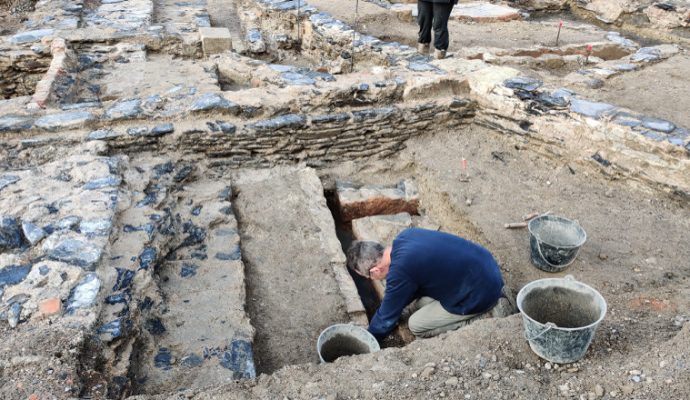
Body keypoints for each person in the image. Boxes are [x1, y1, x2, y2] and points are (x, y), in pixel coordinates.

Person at [346, 228, 514, 341]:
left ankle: (485, 317)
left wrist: (369, 338)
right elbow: (403, 295)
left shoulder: (400, 272)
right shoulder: (406, 236)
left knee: (416, 325)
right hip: (485, 268)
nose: (372, 279)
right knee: (418, 304)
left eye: (368, 277)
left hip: (481, 292)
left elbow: (385, 319)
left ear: (375, 271)